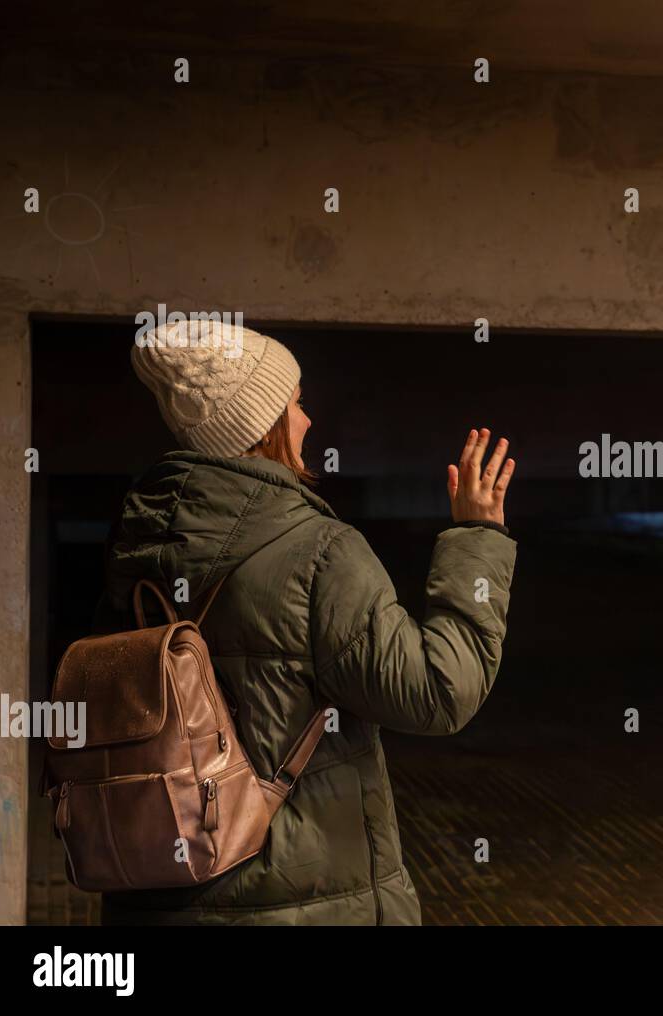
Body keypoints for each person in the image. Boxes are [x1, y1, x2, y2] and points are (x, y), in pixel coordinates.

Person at [93, 318, 517, 924]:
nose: (308, 420)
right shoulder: (319, 552)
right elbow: (436, 693)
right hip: (305, 905)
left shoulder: (132, 546)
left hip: (154, 892)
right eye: (294, 403)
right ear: (261, 425)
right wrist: (478, 538)